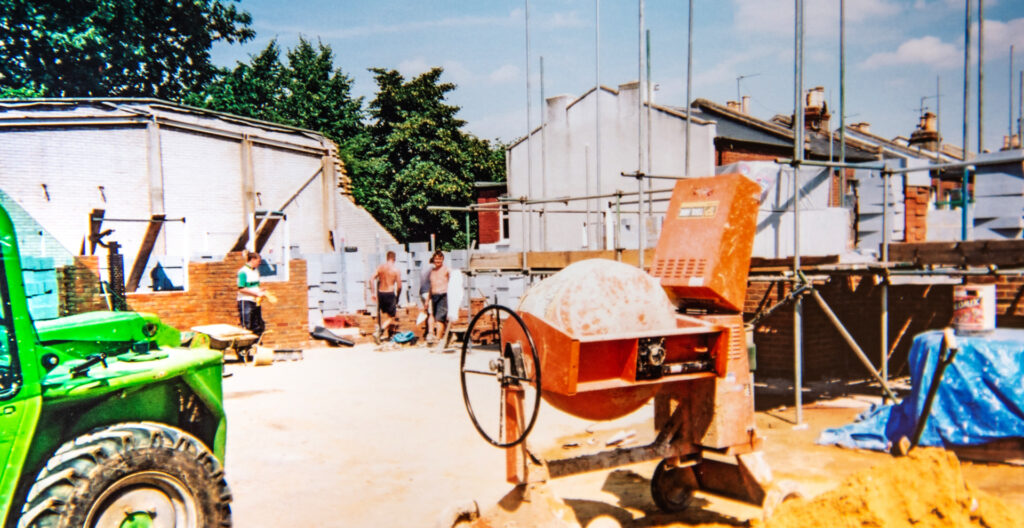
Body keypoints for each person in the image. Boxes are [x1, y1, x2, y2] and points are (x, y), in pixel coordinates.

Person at [371, 251, 402, 341]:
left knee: (386, 315)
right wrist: (397, 297)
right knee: (392, 317)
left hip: (381, 293)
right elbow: (399, 286)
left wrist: (373, 293)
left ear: (387, 258)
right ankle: (379, 331)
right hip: (389, 293)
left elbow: (371, 279)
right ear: (394, 259)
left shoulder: (380, 267)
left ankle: (389, 334)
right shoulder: (396, 270)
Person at [237, 250, 266, 336]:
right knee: (247, 325)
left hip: (255, 301)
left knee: (258, 325)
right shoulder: (243, 272)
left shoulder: (256, 271)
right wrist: (256, 294)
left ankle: (256, 345)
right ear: (252, 259)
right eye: (258, 261)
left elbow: (254, 286)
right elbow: (241, 289)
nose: (259, 263)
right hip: (246, 301)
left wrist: (260, 290)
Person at [427, 250, 450, 344]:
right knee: (432, 315)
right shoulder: (432, 271)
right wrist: (427, 300)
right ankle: (431, 334)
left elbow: (455, 279)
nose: (438, 261)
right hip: (433, 296)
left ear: (443, 259)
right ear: (433, 259)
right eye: (436, 259)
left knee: (440, 318)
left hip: (443, 295)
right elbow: (430, 286)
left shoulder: (446, 270)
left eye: (440, 259)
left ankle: (438, 339)